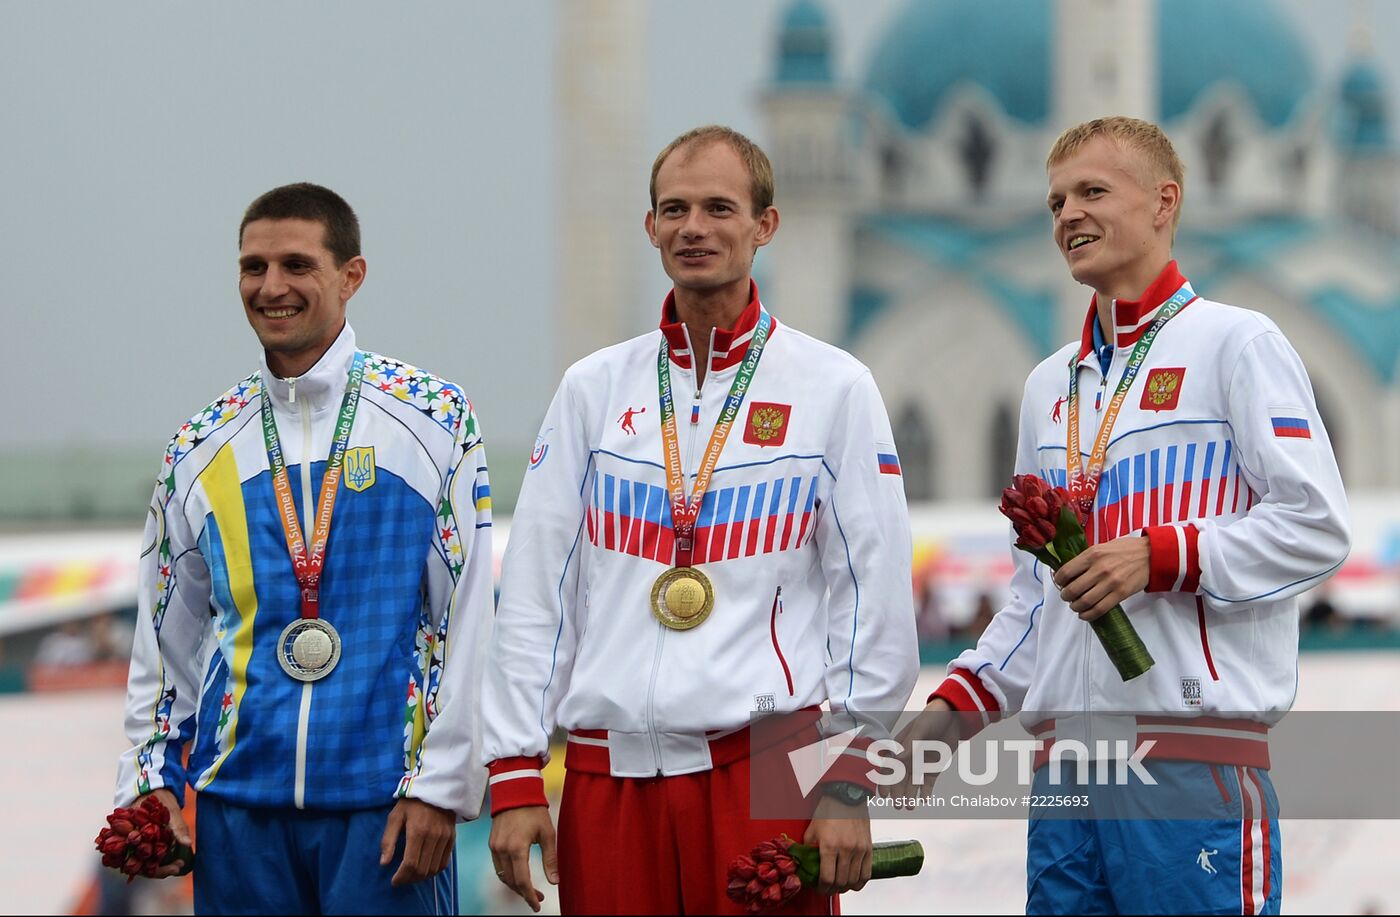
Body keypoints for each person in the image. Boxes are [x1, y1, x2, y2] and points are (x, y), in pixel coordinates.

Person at [894, 117, 1349, 915]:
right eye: (1056, 201)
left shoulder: (1237, 343)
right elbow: (1037, 604)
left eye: (1093, 191)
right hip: (1064, 781)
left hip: (1188, 763)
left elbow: (1315, 525)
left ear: (1165, 202)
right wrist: (944, 718)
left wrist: (1160, 554)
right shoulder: (1048, 386)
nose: (1068, 214)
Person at [481, 125, 919, 914]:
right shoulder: (592, 388)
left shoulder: (834, 387)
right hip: (606, 780)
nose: (694, 227)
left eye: (720, 207)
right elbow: (536, 595)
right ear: (649, 227)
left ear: (765, 225)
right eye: (674, 209)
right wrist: (514, 769)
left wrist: (850, 776)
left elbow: (873, 600)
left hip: (762, 774)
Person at [113, 183, 495, 915]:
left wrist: (441, 783)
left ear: (351, 276)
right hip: (237, 810)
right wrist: (151, 778)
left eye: (296, 263)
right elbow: (165, 639)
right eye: (253, 267)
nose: (271, 286)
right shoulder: (199, 444)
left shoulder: (433, 417)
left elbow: (467, 618)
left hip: (383, 807)